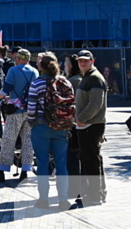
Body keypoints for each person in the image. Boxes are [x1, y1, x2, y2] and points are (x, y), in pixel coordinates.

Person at [25, 52, 73, 209]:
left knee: (43, 163)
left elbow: (31, 108)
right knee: (61, 164)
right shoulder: (65, 82)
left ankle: (43, 200)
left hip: (41, 128)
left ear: (41, 66)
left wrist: (32, 124)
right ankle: (63, 200)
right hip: (62, 127)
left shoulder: (37, 83)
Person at [0, 48, 37, 183]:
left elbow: (5, 90)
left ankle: (1, 171)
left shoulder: (13, 71)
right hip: (30, 111)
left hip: (15, 111)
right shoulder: (35, 71)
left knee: (8, 140)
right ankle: (25, 172)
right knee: (27, 142)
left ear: (17, 59)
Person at [73, 50, 107, 207]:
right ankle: (97, 193)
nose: (83, 63)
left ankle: (94, 195)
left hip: (91, 125)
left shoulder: (94, 78)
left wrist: (81, 119)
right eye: (80, 61)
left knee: (91, 161)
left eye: (86, 61)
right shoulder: (87, 77)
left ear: (92, 61)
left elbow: (95, 103)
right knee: (91, 159)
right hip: (87, 125)